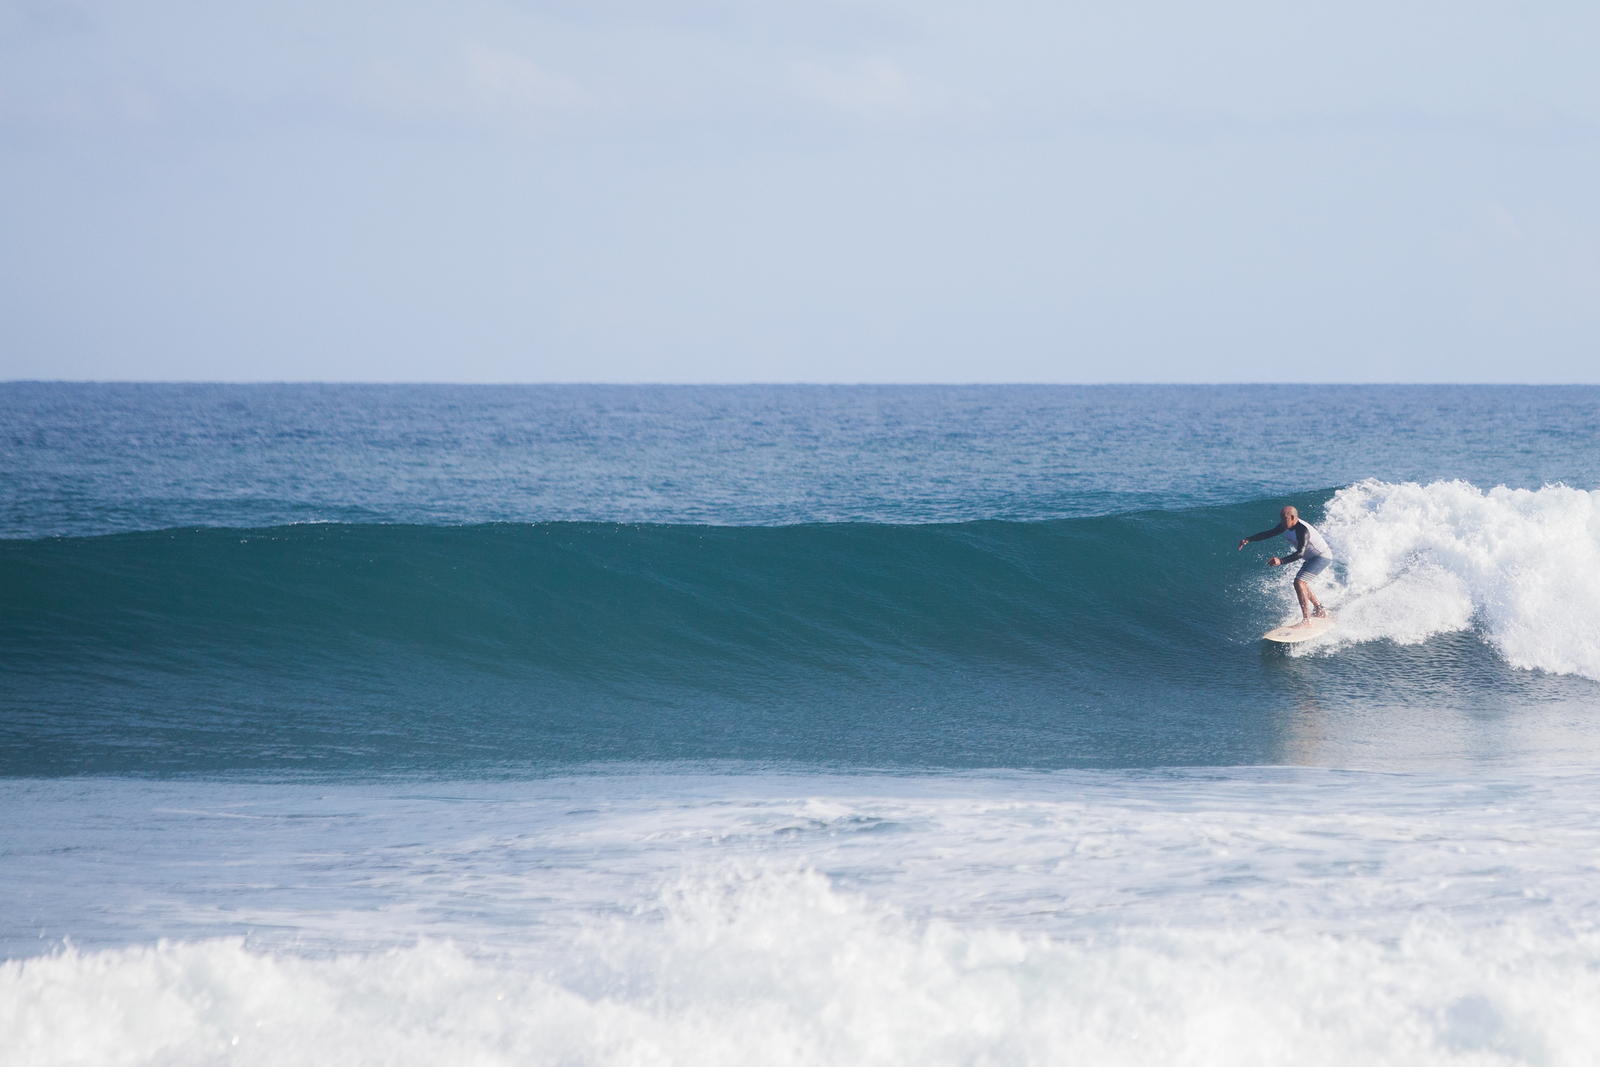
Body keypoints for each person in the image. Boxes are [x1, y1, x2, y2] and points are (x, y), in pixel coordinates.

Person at [1237, 505, 1332, 627]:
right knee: (1302, 583)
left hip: (1321, 556)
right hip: (1312, 558)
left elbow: (1300, 553)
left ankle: (1307, 620)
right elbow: (1268, 533)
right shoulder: (1286, 526)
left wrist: (1280, 561)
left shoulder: (1302, 531)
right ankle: (1319, 610)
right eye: (1281, 519)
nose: (1281, 522)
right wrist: (1249, 539)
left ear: (1292, 517)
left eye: (1284, 519)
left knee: (1299, 583)